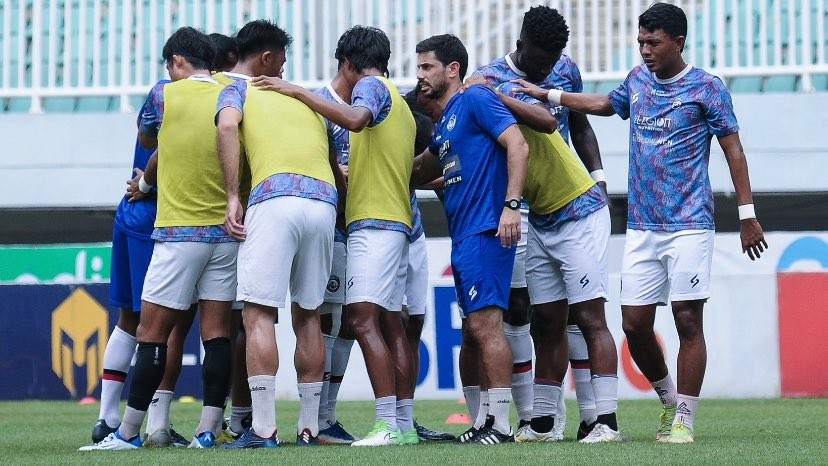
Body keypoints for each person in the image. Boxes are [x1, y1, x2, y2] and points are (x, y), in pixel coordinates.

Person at [513, 2, 768, 444]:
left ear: (678, 42)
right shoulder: (637, 81)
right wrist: (548, 95)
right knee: (633, 325)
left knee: (688, 319)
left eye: (653, 42)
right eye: (640, 42)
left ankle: (685, 418)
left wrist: (747, 215)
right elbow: (602, 105)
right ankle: (669, 401)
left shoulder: (707, 88)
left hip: (689, 221)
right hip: (642, 225)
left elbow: (734, 152)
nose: (645, 50)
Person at [253, 26, 416, 447]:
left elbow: (357, 123)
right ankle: (395, 422)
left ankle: (374, 424)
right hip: (370, 221)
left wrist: (298, 92)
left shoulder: (367, 93)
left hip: (367, 221)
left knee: (356, 320)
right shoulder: (397, 100)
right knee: (358, 320)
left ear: (348, 63)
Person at [80, 27, 236, 451]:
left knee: (148, 331)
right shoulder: (233, 94)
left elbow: (152, 141)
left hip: (174, 229)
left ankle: (123, 430)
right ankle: (207, 431)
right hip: (225, 233)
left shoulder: (166, 94)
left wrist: (146, 183)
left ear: (176, 62)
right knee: (218, 335)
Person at [472, 4, 611, 441]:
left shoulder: (564, 70)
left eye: (554, 59)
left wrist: (600, 179)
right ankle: (540, 421)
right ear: (521, 43)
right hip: (523, 209)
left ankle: (599, 419)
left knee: (584, 317)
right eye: (541, 57)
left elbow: (578, 126)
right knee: (536, 317)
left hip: (573, 203)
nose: (549, 67)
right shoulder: (488, 78)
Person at [215, 19, 343, 449]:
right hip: (323, 201)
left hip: (274, 198)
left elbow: (228, 127)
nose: (283, 71)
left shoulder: (237, 88)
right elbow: (329, 151)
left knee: (258, 314)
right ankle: (309, 427)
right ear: (267, 58)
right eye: (282, 63)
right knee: (309, 315)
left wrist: (234, 196)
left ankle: (264, 428)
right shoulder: (306, 98)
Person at [410, 34, 529, 445]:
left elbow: (518, 144)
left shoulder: (476, 99)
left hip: (485, 230)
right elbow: (423, 169)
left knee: (487, 326)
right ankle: (483, 422)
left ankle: (499, 424)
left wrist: (511, 205)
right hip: (464, 236)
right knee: (475, 330)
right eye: (419, 67)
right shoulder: (446, 121)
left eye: (427, 67)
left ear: (453, 69)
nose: (420, 74)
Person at [90, 86, 193, 449]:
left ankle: (107, 417)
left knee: (129, 319)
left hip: (129, 213)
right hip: (155, 216)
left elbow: (145, 133)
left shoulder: (160, 96)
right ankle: (153, 424)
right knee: (161, 323)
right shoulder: (198, 98)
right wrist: (148, 183)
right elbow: (162, 155)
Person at [313, 67, 359, 446]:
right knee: (327, 316)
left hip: (364, 223)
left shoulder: (373, 102)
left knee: (347, 319)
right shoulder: (318, 103)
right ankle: (317, 419)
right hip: (330, 223)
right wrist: (336, 174)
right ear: (348, 65)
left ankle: (327, 415)